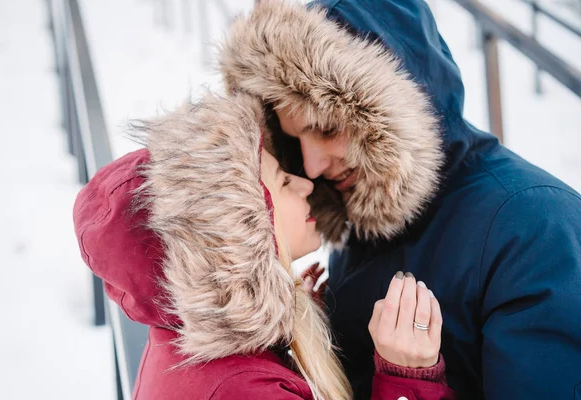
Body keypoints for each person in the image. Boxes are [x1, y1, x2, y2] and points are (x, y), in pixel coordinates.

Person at [217, 0, 581, 399]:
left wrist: (414, 387)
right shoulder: (365, 210)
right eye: (293, 140)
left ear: (392, 107)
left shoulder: (535, 226)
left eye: (324, 127)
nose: (312, 165)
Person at [73, 93, 457, 399]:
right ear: (235, 234)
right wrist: (407, 381)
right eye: (284, 183)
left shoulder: (188, 347)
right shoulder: (244, 390)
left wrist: (285, 319)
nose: (306, 183)